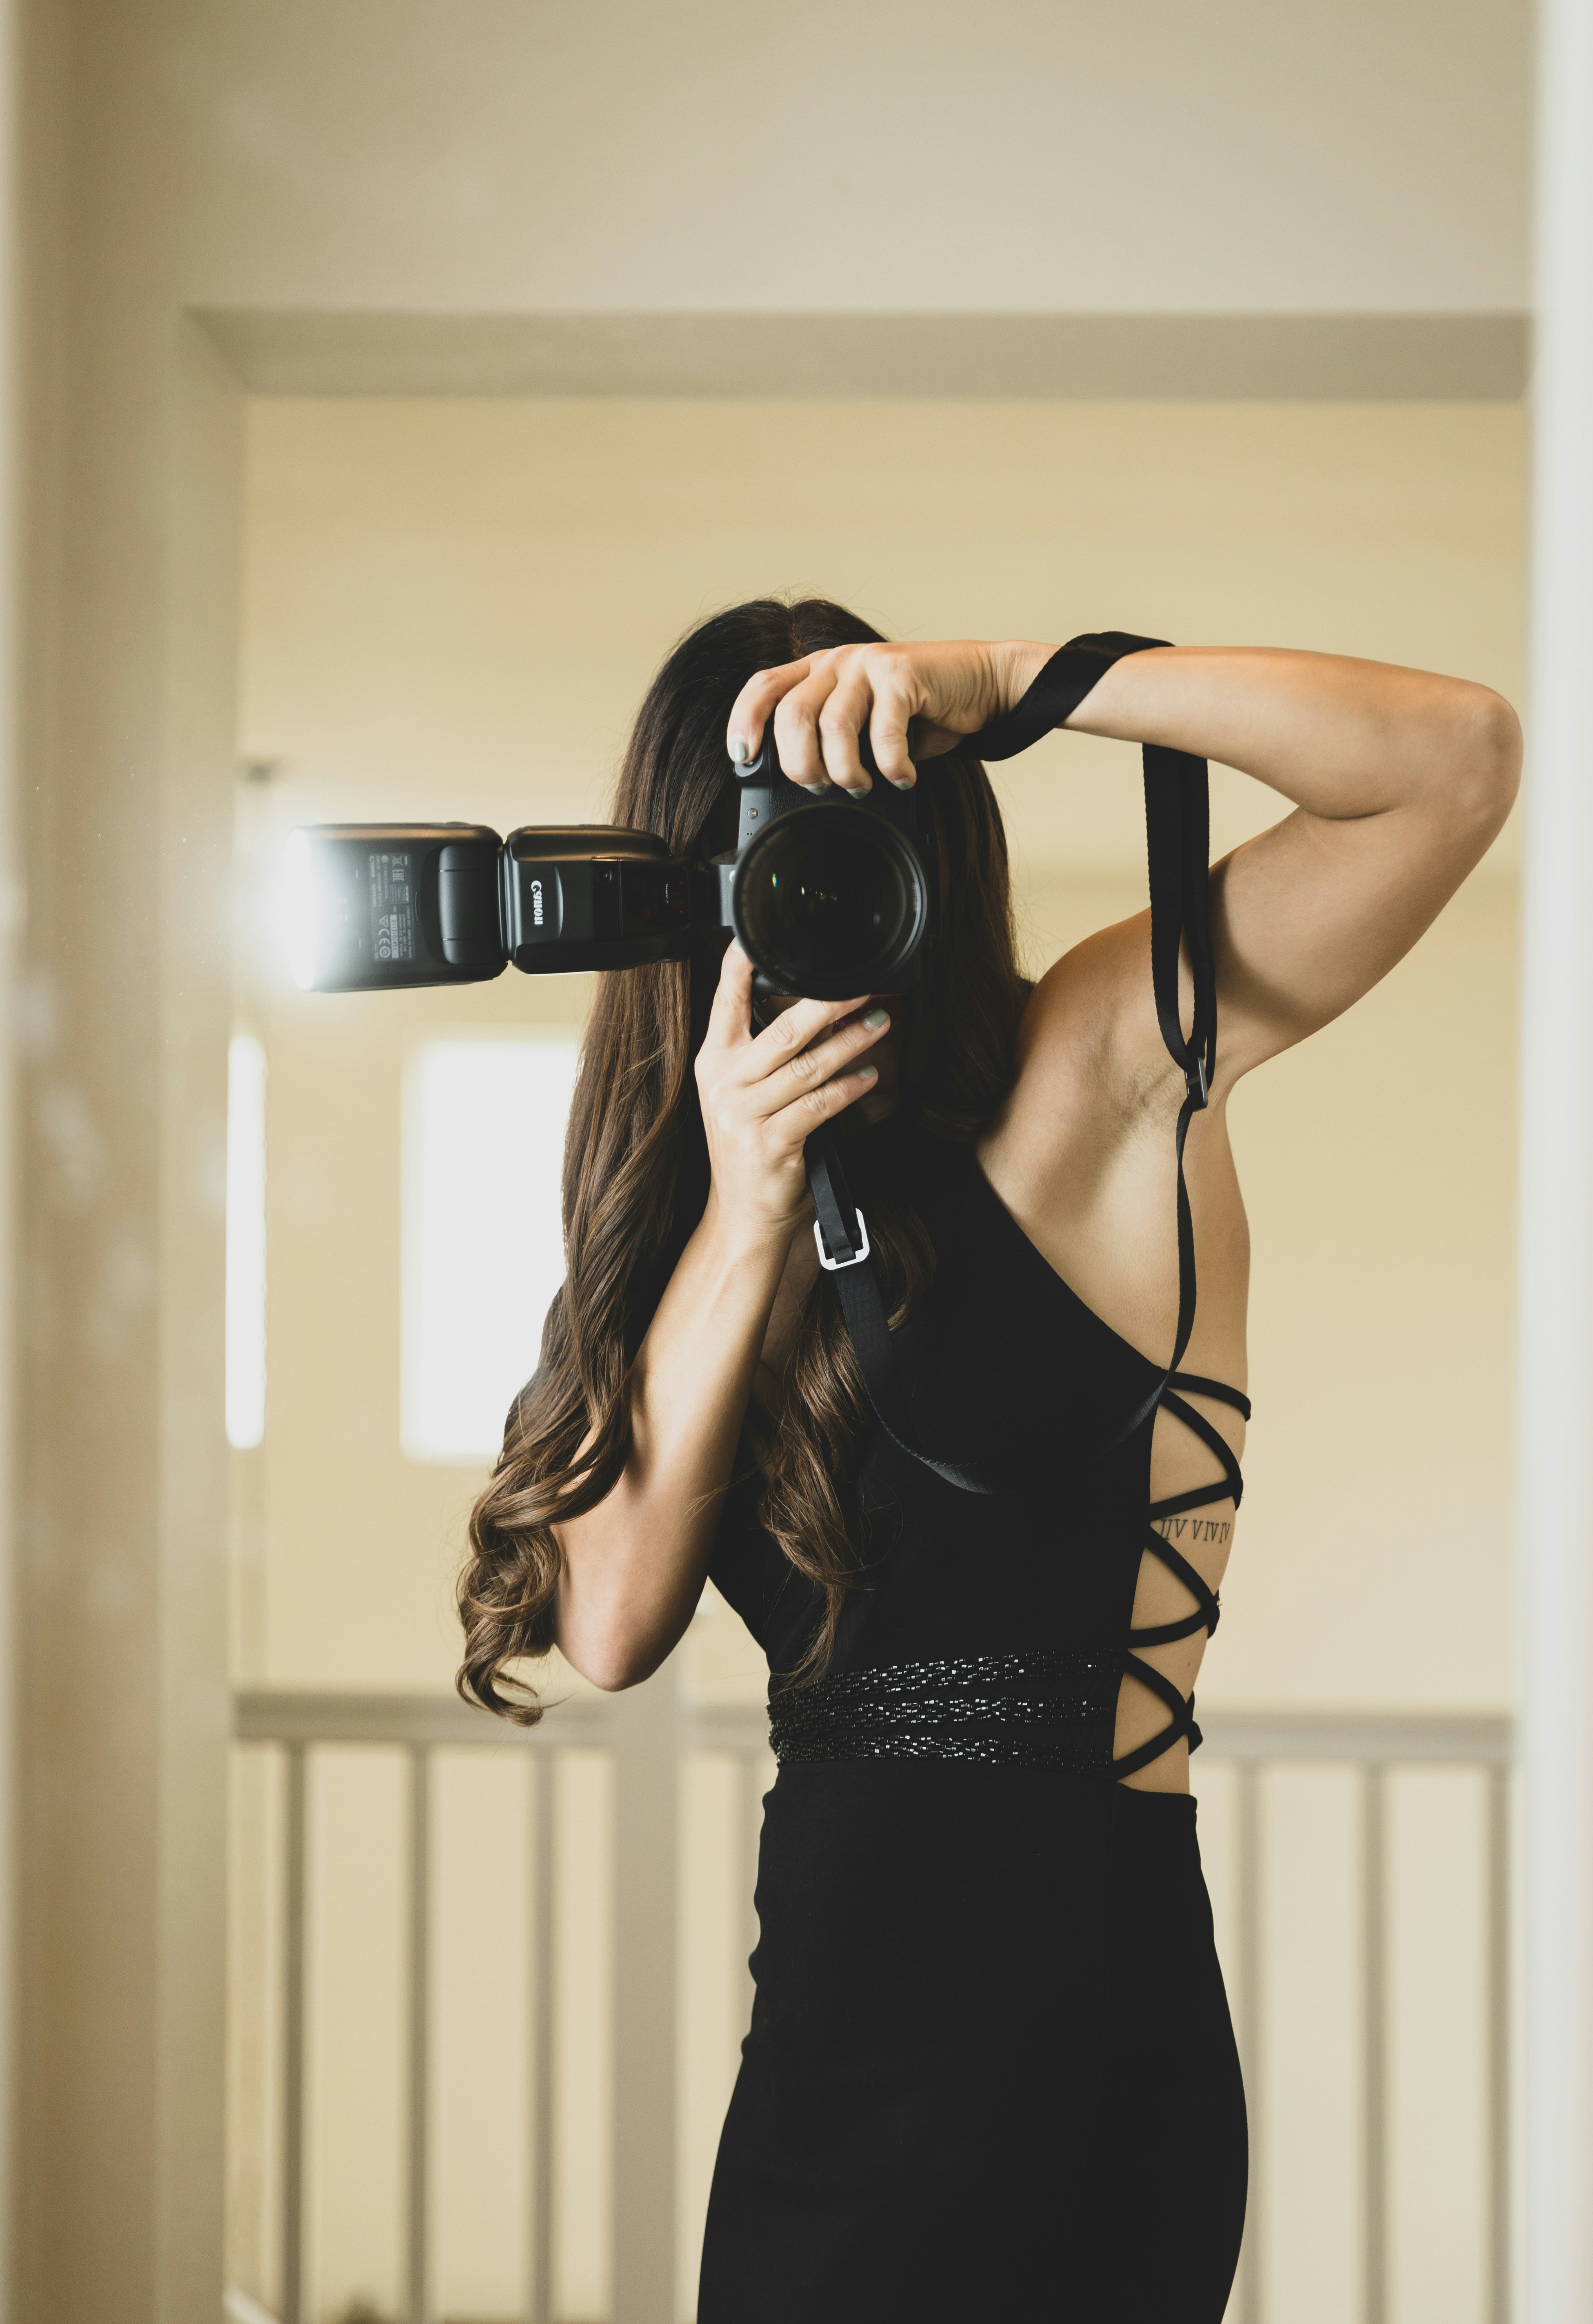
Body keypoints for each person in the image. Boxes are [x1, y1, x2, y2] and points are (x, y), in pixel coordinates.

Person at [458, 598, 1520, 2322]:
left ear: (931, 828)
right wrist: (745, 1212)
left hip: (1086, 2027)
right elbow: (607, 1624)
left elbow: (1453, 761)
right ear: (694, 870)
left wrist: (1014, 682)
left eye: (848, 824)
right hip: (827, 2057)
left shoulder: (1098, 1058)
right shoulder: (686, 1236)